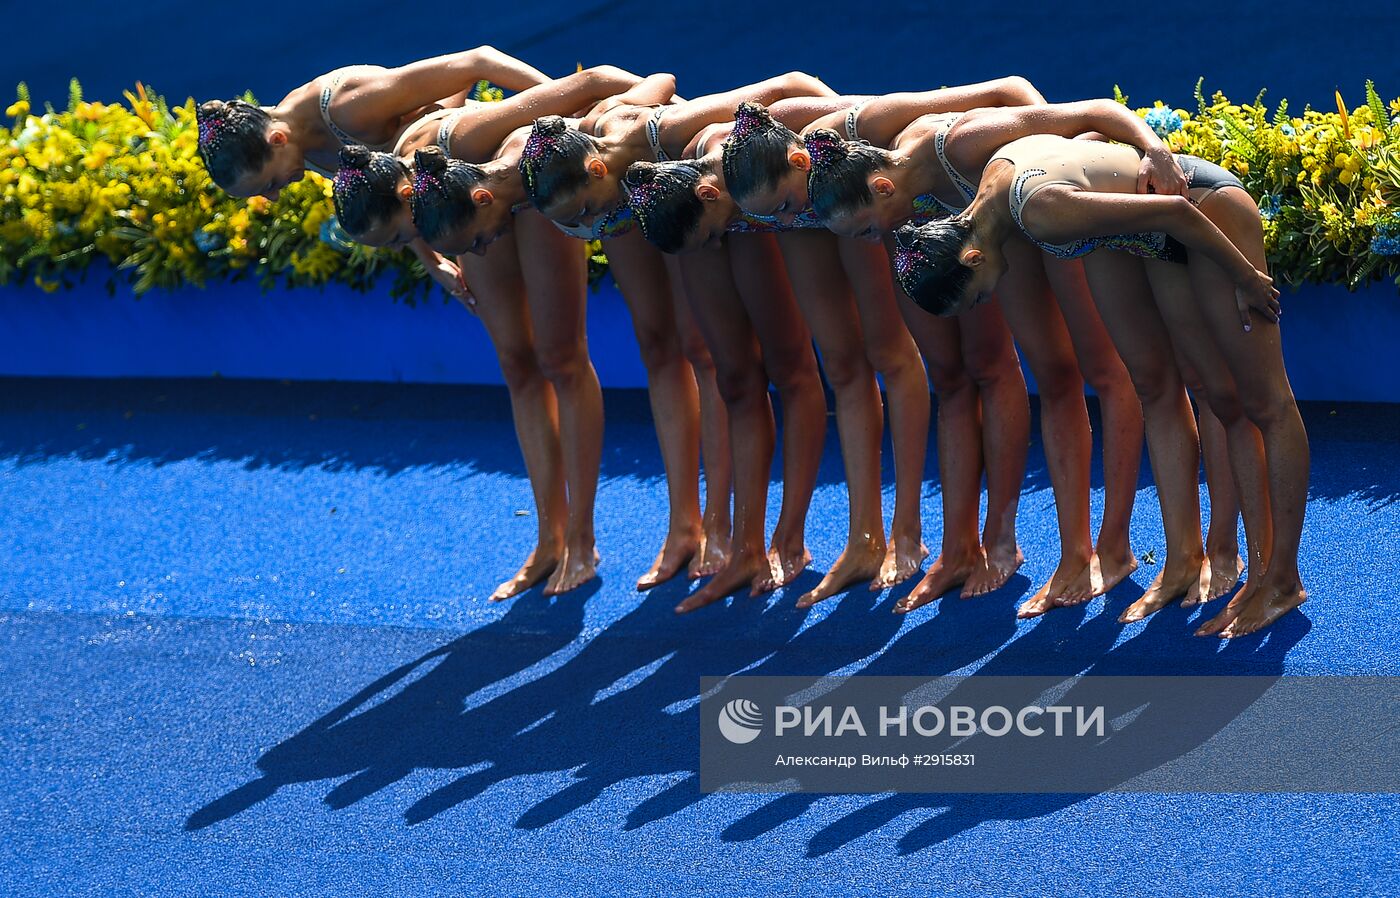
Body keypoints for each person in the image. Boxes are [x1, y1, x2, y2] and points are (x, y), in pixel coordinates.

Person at [888, 130, 1306, 637]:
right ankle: (1204, 565)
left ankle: (1278, 577)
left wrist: (1244, 275)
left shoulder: (1037, 210)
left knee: (1264, 400)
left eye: (975, 298)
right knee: (1213, 394)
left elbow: (1173, 212)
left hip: (1200, 209)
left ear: (973, 259)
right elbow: (1078, 138)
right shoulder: (991, 193)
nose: (984, 303)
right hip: (1148, 233)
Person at [519, 74, 838, 610]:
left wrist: (834, 131)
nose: (585, 226)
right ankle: (705, 533)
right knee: (698, 360)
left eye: (584, 212)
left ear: (598, 167)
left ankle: (762, 534)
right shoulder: (602, 186)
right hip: (666, 210)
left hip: (725, 199)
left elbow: (772, 84)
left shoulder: (650, 128)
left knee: (763, 361)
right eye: (575, 222)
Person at [621, 97, 933, 608]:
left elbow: (797, 88)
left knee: (887, 351)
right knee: (824, 365)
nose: (711, 244)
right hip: (781, 212)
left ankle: (903, 531)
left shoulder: (789, 146)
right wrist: (775, 216)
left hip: (831, 189)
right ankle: (812, 542)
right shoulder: (721, 173)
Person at [196, 47, 552, 298]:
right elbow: (396, 192)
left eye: (270, 183)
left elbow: (477, 62)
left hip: (505, 170)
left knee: (559, 352)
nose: (274, 195)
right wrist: (433, 262)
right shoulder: (300, 147)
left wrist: (574, 114)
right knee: (516, 359)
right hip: (464, 211)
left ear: (276, 139)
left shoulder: (351, 106)